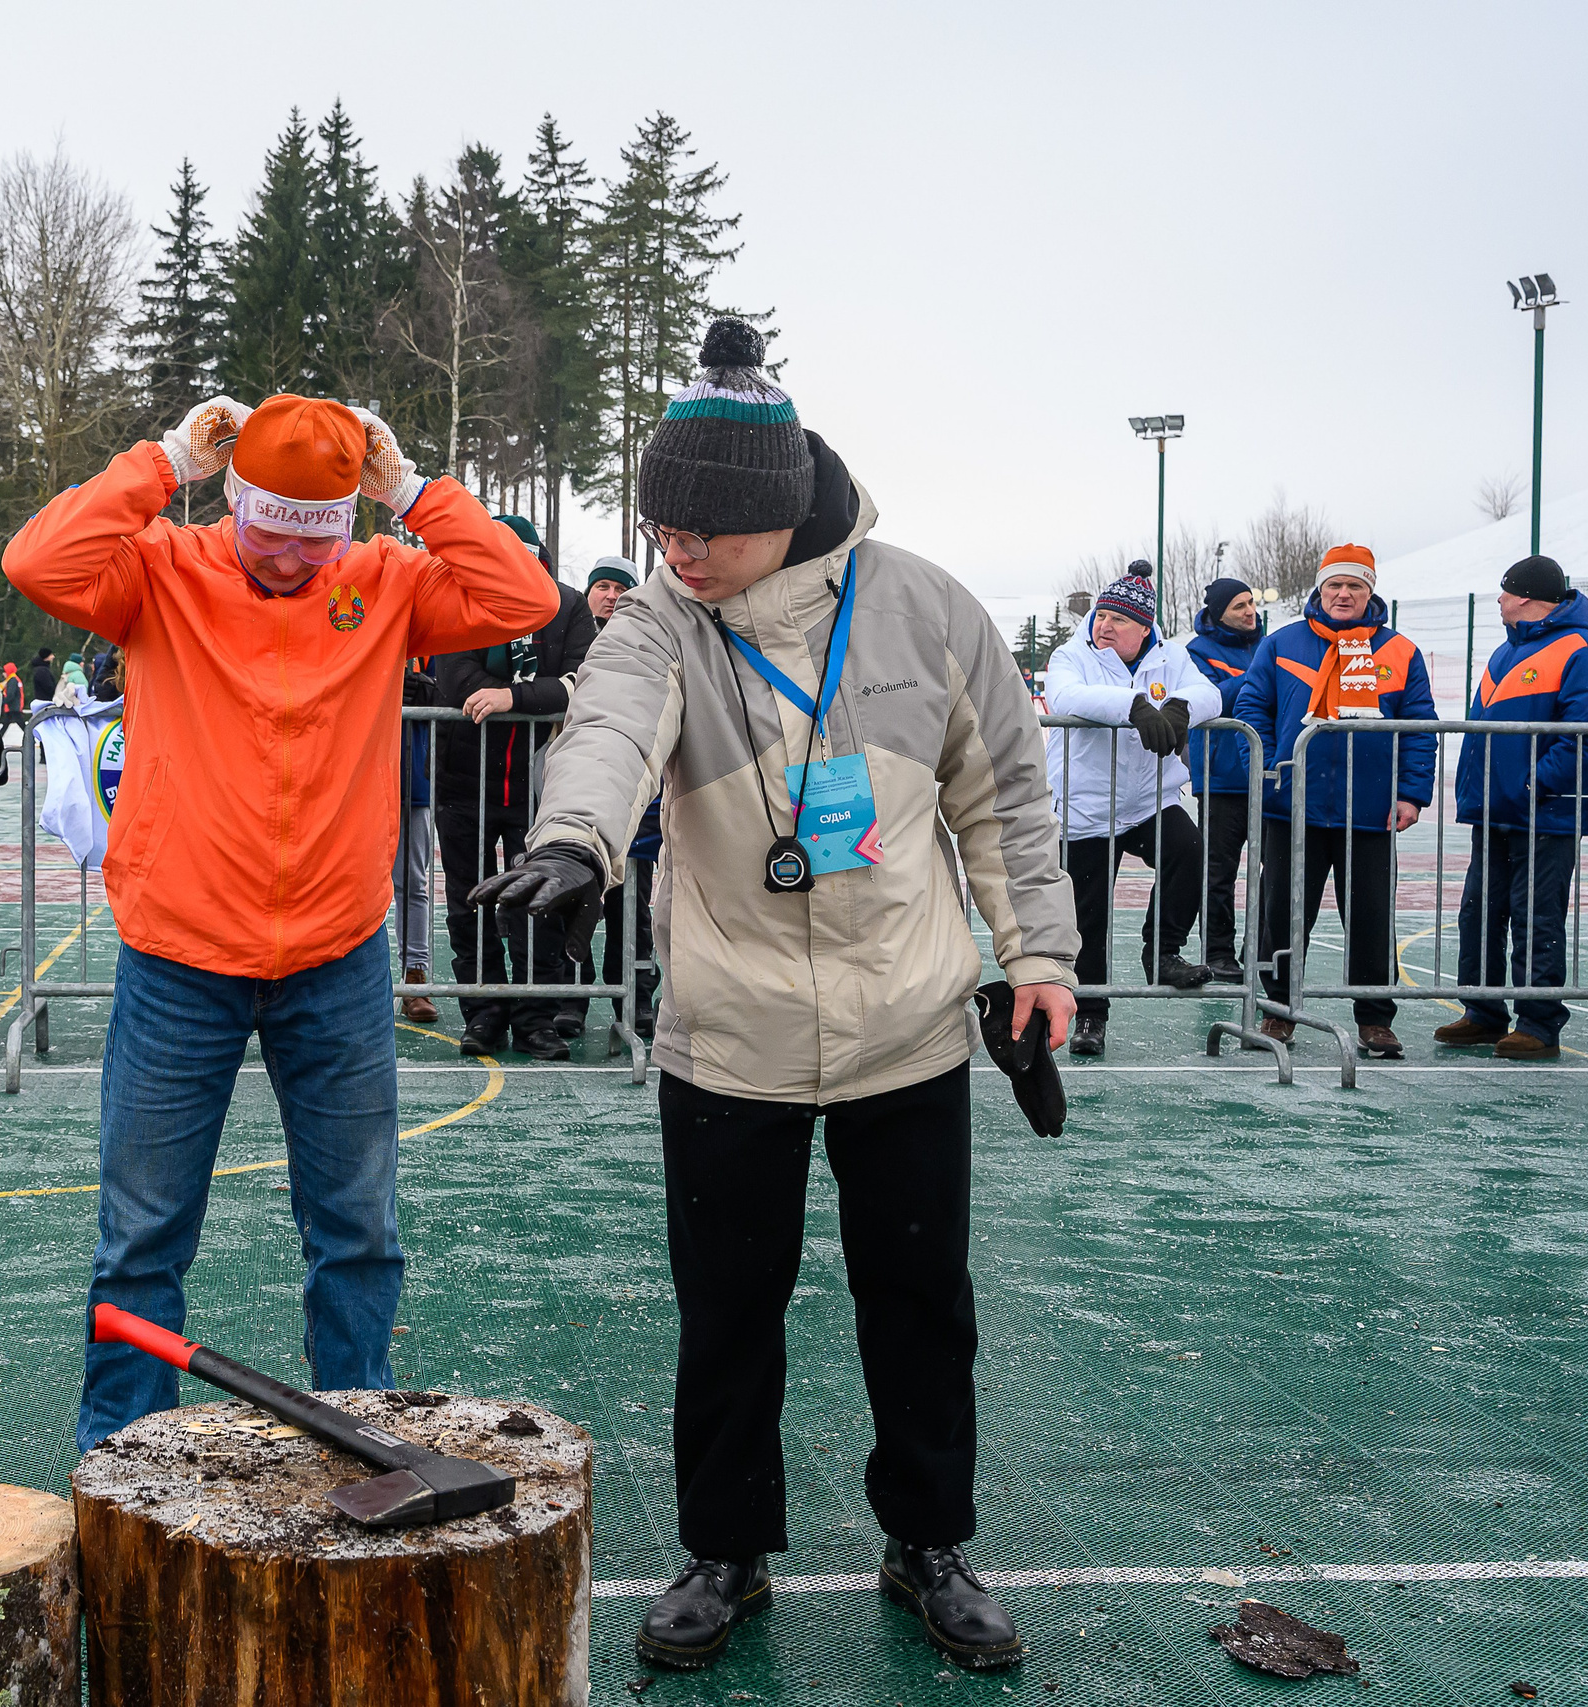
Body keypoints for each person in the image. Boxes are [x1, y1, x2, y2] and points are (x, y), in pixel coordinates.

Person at [473, 318, 1077, 1674]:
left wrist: (1037, 955)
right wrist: (572, 842)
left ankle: (929, 1540)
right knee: (727, 1308)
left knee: (921, 1302)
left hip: (906, 1025)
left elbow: (1004, 796)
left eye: (706, 529)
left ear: (783, 510)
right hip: (729, 1032)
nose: (678, 550)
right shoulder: (660, 622)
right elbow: (608, 730)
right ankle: (724, 1548)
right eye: (661, 523)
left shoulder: (928, 607)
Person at [1, 389, 555, 1455]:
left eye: (319, 536)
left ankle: (364, 1435)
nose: (294, 561)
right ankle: (118, 1453)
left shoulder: (383, 578)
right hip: (178, 954)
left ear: (350, 520)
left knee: (357, 1229)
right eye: (271, 532)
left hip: (335, 954)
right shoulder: (162, 570)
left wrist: (413, 492)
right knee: (142, 1234)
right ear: (233, 505)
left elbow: (521, 595)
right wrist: (164, 462)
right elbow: (37, 562)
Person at [1233, 544, 1436, 1058]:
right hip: (1291, 807)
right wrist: (1266, 770)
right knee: (1282, 914)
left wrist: (1411, 794)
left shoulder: (1401, 652)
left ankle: (1375, 1019)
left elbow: (1419, 727)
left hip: (1370, 813)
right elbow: (1252, 709)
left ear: (1370, 592)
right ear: (1320, 589)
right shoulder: (1281, 644)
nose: (1344, 594)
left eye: (1355, 586)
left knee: (1371, 918)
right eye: (1335, 585)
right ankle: (1276, 1011)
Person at [1432, 556, 1588, 1061]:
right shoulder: (1507, 650)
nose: (1499, 599)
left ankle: (1538, 1022)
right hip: (1497, 810)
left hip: (1545, 813)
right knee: (1480, 913)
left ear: (1529, 598)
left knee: (1536, 917)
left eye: (1506, 591)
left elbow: (1587, 734)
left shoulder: (1583, 650)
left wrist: (1535, 785)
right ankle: (1483, 1012)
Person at [432, 517, 596, 1060]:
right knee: (468, 904)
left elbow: (583, 681)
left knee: (540, 902)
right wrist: (532, 693)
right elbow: (455, 679)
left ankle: (535, 1018)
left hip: (541, 787)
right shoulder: (462, 600)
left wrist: (512, 699)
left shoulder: (567, 605)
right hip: (463, 782)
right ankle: (483, 1014)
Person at [1043, 569, 1220, 1056]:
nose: (1104, 625)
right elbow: (1065, 696)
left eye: (1118, 619)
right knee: (1089, 916)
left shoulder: (1170, 656)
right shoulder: (1072, 654)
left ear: (1144, 628)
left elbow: (1211, 693)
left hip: (1148, 800)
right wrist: (1135, 705)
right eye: (1101, 615)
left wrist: (1181, 706)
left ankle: (1162, 951)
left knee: (1188, 850)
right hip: (1086, 807)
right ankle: (1090, 1015)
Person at [569, 554, 660, 1034]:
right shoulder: (573, 644)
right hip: (583, 796)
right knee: (577, 901)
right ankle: (574, 999)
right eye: (602, 586)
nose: (611, 596)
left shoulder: (650, 641)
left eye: (621, 588)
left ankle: (637, 998)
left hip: (636, 800)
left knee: (633, 907)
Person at [1185, 575, 1265, 981]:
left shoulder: (1269, 645)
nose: (1250, 612)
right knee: (1218, 873)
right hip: (1222, 780)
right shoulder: (1195, 653)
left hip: (1269, 777)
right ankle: (1218, 953)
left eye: (1251, 602)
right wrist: (1260, 676)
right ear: (1218, 613)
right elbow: (1210, 700)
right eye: (1239, 606)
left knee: (1278, 870)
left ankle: (1262, 952)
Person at [395, 653, 439, 1023]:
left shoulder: (433, 645)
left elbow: (461, 689)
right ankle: (335, 980)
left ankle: (415, 976)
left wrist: (433, 693)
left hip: (412, 778)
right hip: (352, 778)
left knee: (413, 883)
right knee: (342, 882)